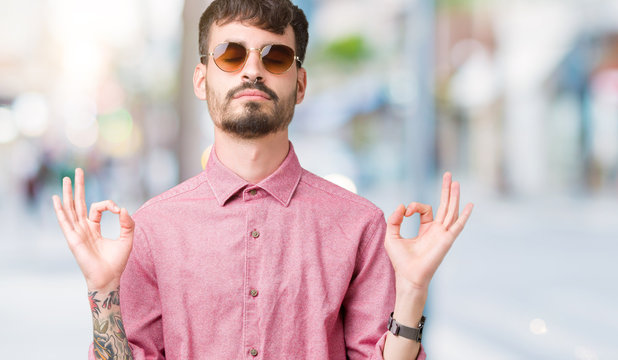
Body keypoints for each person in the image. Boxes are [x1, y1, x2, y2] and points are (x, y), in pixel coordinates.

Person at [52, 0, 473, 359]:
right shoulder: (152, 228)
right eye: (231, 55)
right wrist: (103, 291)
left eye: (275, 57)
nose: (252, 70)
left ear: (300, 83)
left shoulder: (360, 225)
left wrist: (413, 289)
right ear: (202, 80)